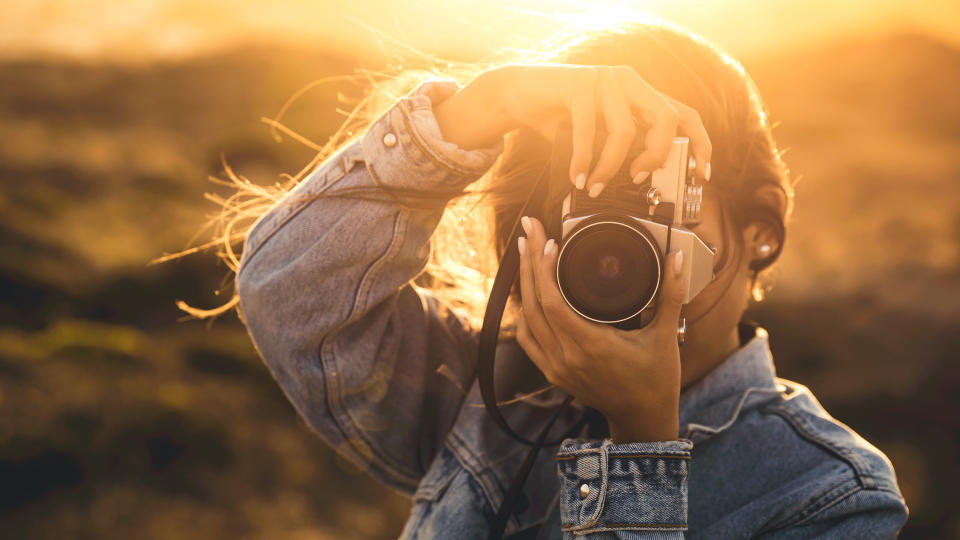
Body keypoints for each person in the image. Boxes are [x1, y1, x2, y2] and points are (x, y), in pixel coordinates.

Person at [231, 20, 908, 539]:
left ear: (760, 224)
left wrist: (642, 437)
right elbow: (290, 294)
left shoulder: (829, 495)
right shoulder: (485, 391)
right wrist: (477, 112)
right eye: (588, 219)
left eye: (658, 212)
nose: (617, 254)